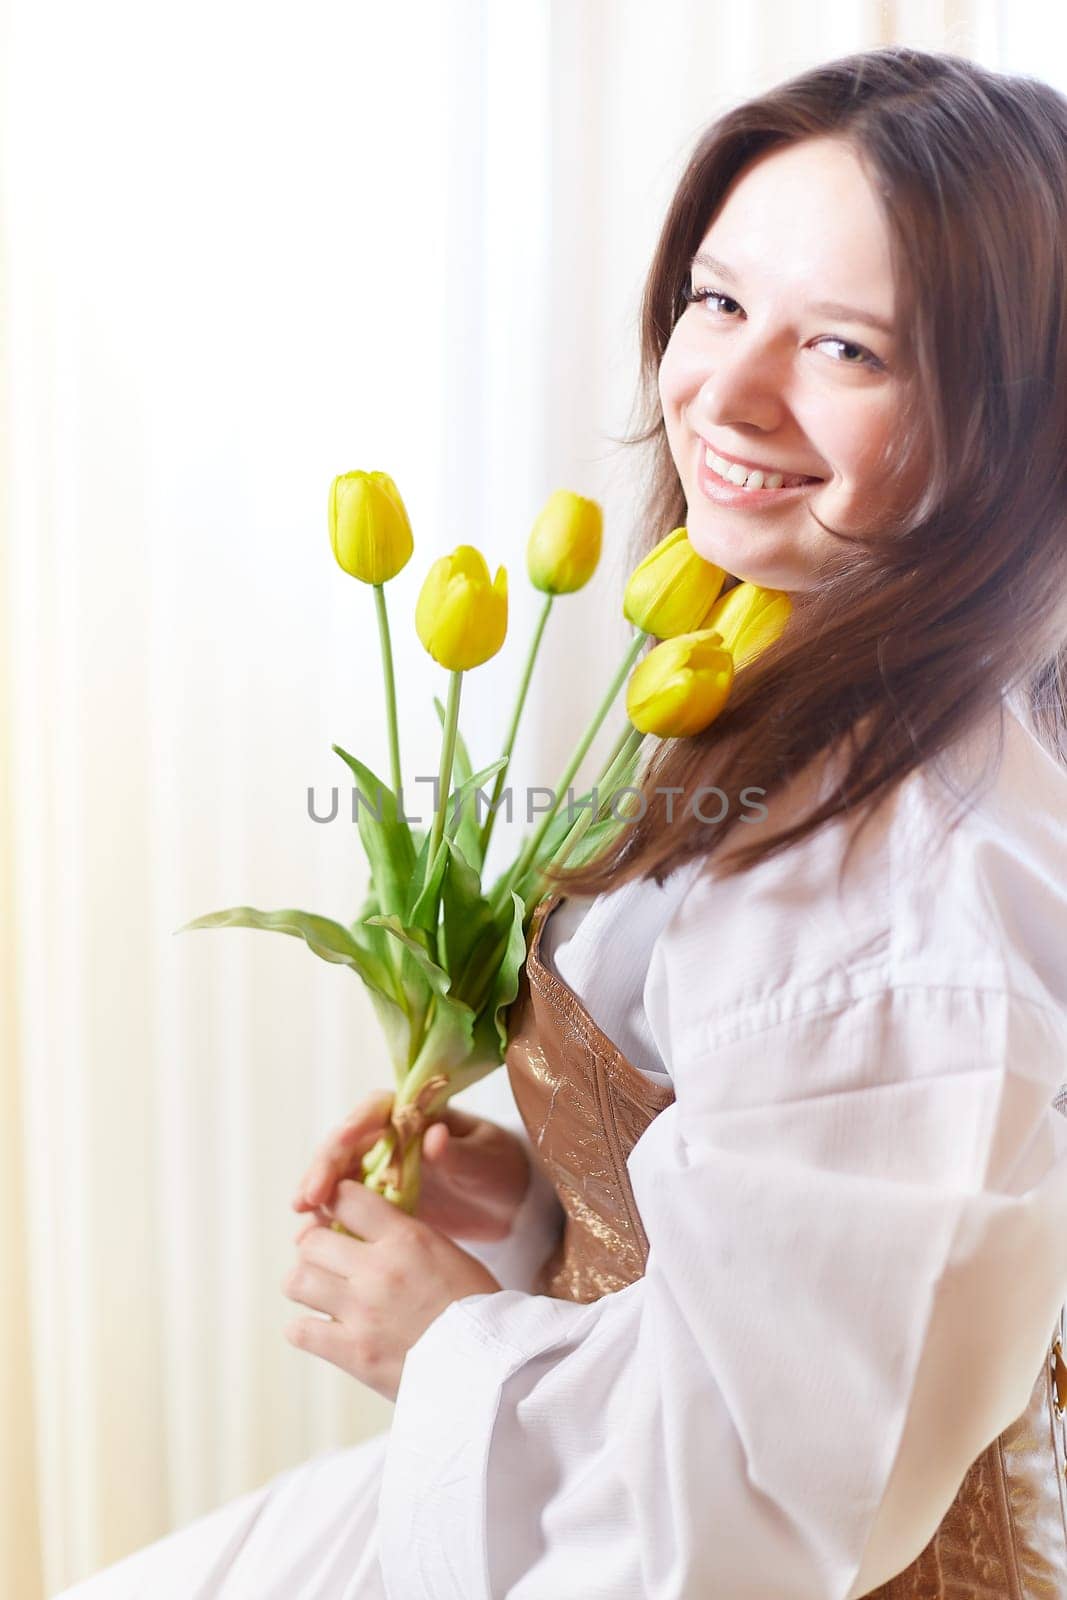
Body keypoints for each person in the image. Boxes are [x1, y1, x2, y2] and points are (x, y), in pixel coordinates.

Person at [56, 43, 1067, 1600]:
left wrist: (446, 1337)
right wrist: (544, 1207)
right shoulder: (780, 679)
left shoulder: (915, 900)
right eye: (718, 301)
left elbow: (756, 1514)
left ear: (1015, 417)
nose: (721, 392)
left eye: (849, 350)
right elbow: (804, 1272)